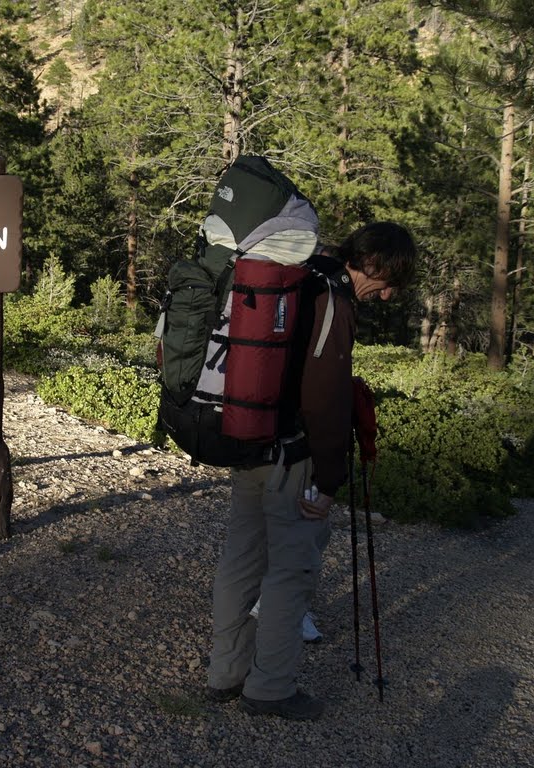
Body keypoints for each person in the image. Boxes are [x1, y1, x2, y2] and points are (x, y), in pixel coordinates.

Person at [205, 221, 417, 720]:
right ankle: (270, 689)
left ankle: (225, 674)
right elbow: (324, 400)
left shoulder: (298, 274)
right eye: (391, 284)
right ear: (379, 267)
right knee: (291, 571)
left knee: (240, 559)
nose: (388, 297)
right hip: (291, 457)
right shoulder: (334, 299)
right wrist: (327, 482)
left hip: (247, 434)